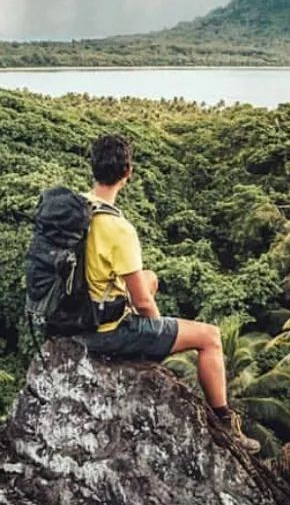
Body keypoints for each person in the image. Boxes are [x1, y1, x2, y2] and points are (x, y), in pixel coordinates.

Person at [74, 134, 260, 455]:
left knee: (151, 277)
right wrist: (156, 332)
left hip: (73, 316)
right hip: (103, 333)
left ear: (93, 168)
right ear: (127, 173)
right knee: (210, 337)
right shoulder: (118, 229)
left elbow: (139, 285)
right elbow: (143, 301)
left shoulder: (74, 209)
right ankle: (225, 424)